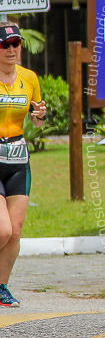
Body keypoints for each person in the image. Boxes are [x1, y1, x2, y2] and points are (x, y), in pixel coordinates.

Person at [0, 23, 46, 308]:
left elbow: (37, 119)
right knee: (2, 230)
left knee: (15, 232)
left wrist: (40, 114)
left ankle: (2, 286)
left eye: (16, 44)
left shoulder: (29, 78)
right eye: (6, 45)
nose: (11, 50)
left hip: (18, 158)